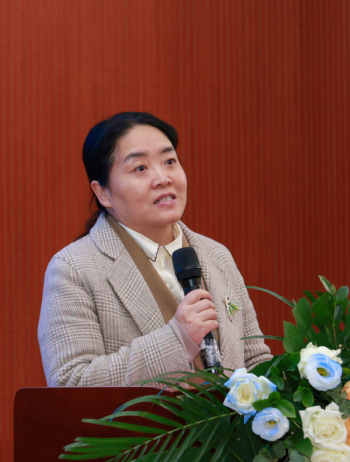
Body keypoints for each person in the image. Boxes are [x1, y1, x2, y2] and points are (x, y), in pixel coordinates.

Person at [38, 112, 271, 387]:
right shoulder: (73, 269)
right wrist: (178, 339)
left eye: (169, 161)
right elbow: (70, 383)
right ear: (103, 193)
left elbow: (255, 360)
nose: (163, 178)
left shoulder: (216, 255)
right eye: (140, 168)